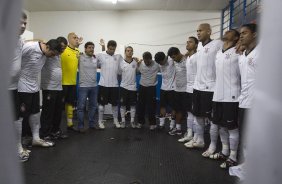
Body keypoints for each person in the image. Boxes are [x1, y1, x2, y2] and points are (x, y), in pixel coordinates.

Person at [202, 29, 241, 170]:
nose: (226, 32)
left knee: (231, 128)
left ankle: (233, 156)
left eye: (230, 31)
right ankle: (224, 152)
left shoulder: (238, 51)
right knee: (220, 126)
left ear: (236, 37)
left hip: (232, 96)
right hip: (217, 95)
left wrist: (241, 43)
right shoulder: (219, 53)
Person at [18, 39, 62, 148]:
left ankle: (36, 139)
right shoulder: (31, 47)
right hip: (22, 86)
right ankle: (20, 140)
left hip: (34, 86)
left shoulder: (45, 53)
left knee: (36, 113)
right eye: (52, 54)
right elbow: (14, 57)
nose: (52, 56)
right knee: (23, 115)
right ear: (47, 47)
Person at [186, 23, 223, 148]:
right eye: (197, 31)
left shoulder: (217, 44)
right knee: (197, 115)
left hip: (210, 87)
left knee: (211, 119)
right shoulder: (200, 47)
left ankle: (212, 145)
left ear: (209, 31)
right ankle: (199, 140)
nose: (198, 33)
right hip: (197, 87)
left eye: (200, 30)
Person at [9, 12, 29, 162]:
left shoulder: (19, 40)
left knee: (17, 119)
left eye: (25, 23)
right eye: (19, 22)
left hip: (13, 88)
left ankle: (17, 148)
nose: (23, 26)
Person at [40, 37, 68, 140]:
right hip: (48, 87)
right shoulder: (49, 53)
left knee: (58, 111)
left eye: (64, 48)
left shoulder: (59, 55)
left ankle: (55, 131)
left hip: (58, 87)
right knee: (48, 112)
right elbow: (41, 45)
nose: (62, 50)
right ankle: (44, 133)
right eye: (61, 47)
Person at [96, 40, 123, 129]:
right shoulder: (100, 54)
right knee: (101, 106)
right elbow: (95, 64)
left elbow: (120, 70)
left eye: (113, 49)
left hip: (114, 85)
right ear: (107, 47)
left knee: (115, 105)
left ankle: (115, 121)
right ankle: (100, 121)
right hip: (103, 84)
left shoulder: (119, 56)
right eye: (110, 49)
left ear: (115, 48)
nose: (112, 51)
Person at [178, 36, 198, 143]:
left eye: (190, 42)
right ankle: (190, 134)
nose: (187, 43)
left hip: (197, 89)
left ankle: (196, 137)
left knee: (195, 114)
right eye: (187, 42)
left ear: (196, 45)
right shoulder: (188, 58)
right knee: (189, 114)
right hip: (188, 89)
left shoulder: (198, 56)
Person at [61, 32, 82, 130]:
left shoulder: (78, 51)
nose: (76, 39)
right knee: (59, 105)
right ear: (69, 39)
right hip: (61, 83)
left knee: (70, 103)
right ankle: (55, 127)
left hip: (73, 82)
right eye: (74, 38)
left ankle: (70, 124)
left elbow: (80, 66)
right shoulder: (63, 50)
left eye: (77, 38)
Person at [77, 41, 98, 132]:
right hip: (83, 86)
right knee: (81, 107)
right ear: (85, 49)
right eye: (89, 47)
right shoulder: (80, 57)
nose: (91, 49)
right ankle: (81, 126)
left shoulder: (95, 59)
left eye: (92, 47)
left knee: (93, 106)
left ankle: (92, 124)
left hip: (94, 86)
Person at [167, 47, 187, 136]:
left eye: (174, 57)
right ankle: (175, 127)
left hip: (185, 90)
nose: (173, 59)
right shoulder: (174, 61)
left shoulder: (187, 60)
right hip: (176, 89)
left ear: (179, 53)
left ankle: (180, 129)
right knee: (175, 109)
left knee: (182, 111)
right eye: (172, 58)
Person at [137, 51, 159, 130]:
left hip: (151, 87)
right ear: (143, 59)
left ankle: (152, 124)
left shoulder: (157, 65)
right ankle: (140, 122)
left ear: (151, 59)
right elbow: (137, 72)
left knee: (151, 106)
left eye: (148, 61)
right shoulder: (141, 63)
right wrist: (137, 63)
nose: (146, 62)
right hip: (142, 86)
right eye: (145, 61)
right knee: (141, 105)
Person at [154, 52, 175, 130]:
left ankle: (172, 126)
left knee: (173, 108)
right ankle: (161, 124)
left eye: (161, 62)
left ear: (165, 59)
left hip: (172, 88)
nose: (160, 64)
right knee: (162, 106)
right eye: (159, 63)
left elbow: (182, 56)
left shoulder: (172, 60)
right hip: (163, 88)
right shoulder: (159, 63)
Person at [119, 46, 138, 128]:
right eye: (127, 51)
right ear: (125, 52)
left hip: (133, 87)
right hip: (123, 87)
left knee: (133, 105)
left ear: (133, 52)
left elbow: (137, 72)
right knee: (122, 105)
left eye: (131, 51)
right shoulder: (121, 62)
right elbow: (119, 74)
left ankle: (132, 121)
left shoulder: (136, 62)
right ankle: (123, 121)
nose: (129, 52)